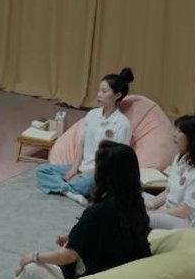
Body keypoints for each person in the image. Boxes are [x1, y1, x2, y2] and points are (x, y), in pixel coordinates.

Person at [15, 140, 151, 279]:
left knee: (26, 271)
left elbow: (68, 256)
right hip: (124, 276)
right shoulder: (137, 205)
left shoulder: (98, 212)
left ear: (104, 174)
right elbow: (111, 234)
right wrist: (76, 235)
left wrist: (34, 256)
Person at [35, 67, 135, 205]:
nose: (99, 94)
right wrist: (74, 168)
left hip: (100, 174)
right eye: (99, 90)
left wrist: (92, 172)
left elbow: (117, 160)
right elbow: (81, 143)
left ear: (117, 95)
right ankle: (69, 191)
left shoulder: (123, 124)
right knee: (41, 170)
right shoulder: (92, 114)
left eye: (104, 91)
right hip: (81, 167)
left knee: (87, 183)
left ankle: (66, 187)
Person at [145, 114, 195, 230]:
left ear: (193, 138)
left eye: (179, 131)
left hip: (187, 221)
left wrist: (157, 212)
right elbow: (168, 191)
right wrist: (151, 204)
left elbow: (186, 211)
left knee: (140, 217)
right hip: (169, 209)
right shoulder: (180, 157)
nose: (174, 134)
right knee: (131, 197)